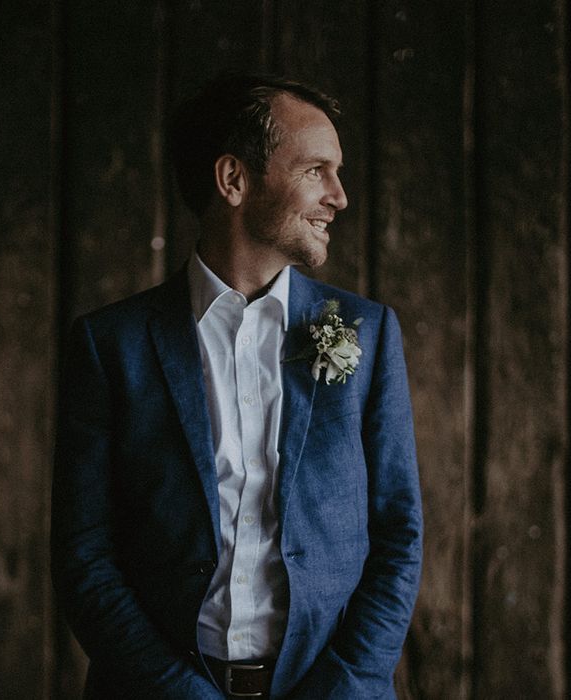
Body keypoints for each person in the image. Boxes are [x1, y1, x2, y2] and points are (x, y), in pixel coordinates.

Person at [51, 73, 422, 699]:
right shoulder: (111, 345)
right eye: (316, 170)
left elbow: (397, 533)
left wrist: (346, 687)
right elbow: (85, 552)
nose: (340, 196)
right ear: (234, 181)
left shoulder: (369, 332)